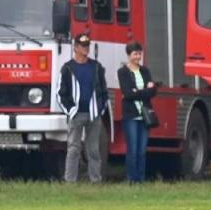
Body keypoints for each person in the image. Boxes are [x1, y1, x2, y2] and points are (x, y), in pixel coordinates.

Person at [57, 32, 109, 183]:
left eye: (87, 46)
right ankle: (70, 181)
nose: (86, 48)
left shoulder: (96, 67)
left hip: (93, 115)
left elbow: (104, 91)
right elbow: (60, 93)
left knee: (93, 150)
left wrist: (100, 109)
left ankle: (95, 180)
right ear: (75, 48)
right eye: (82, 46)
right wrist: (71, 110)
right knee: (73, 149)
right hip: (76, 115)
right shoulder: (67, 68)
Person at [117, 41, 157, 184]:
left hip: (145, 115)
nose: (138, 57)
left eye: (140, 54)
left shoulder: (145, 71)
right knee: (132, 150)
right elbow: (127, 93)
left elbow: (153, 91)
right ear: (129, 55)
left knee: (142, 150)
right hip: (131, 116)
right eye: (135, 54)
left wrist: (138, 92)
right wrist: (145, 90)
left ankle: (140, 179)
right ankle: (132, 179)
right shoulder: (123, 72)